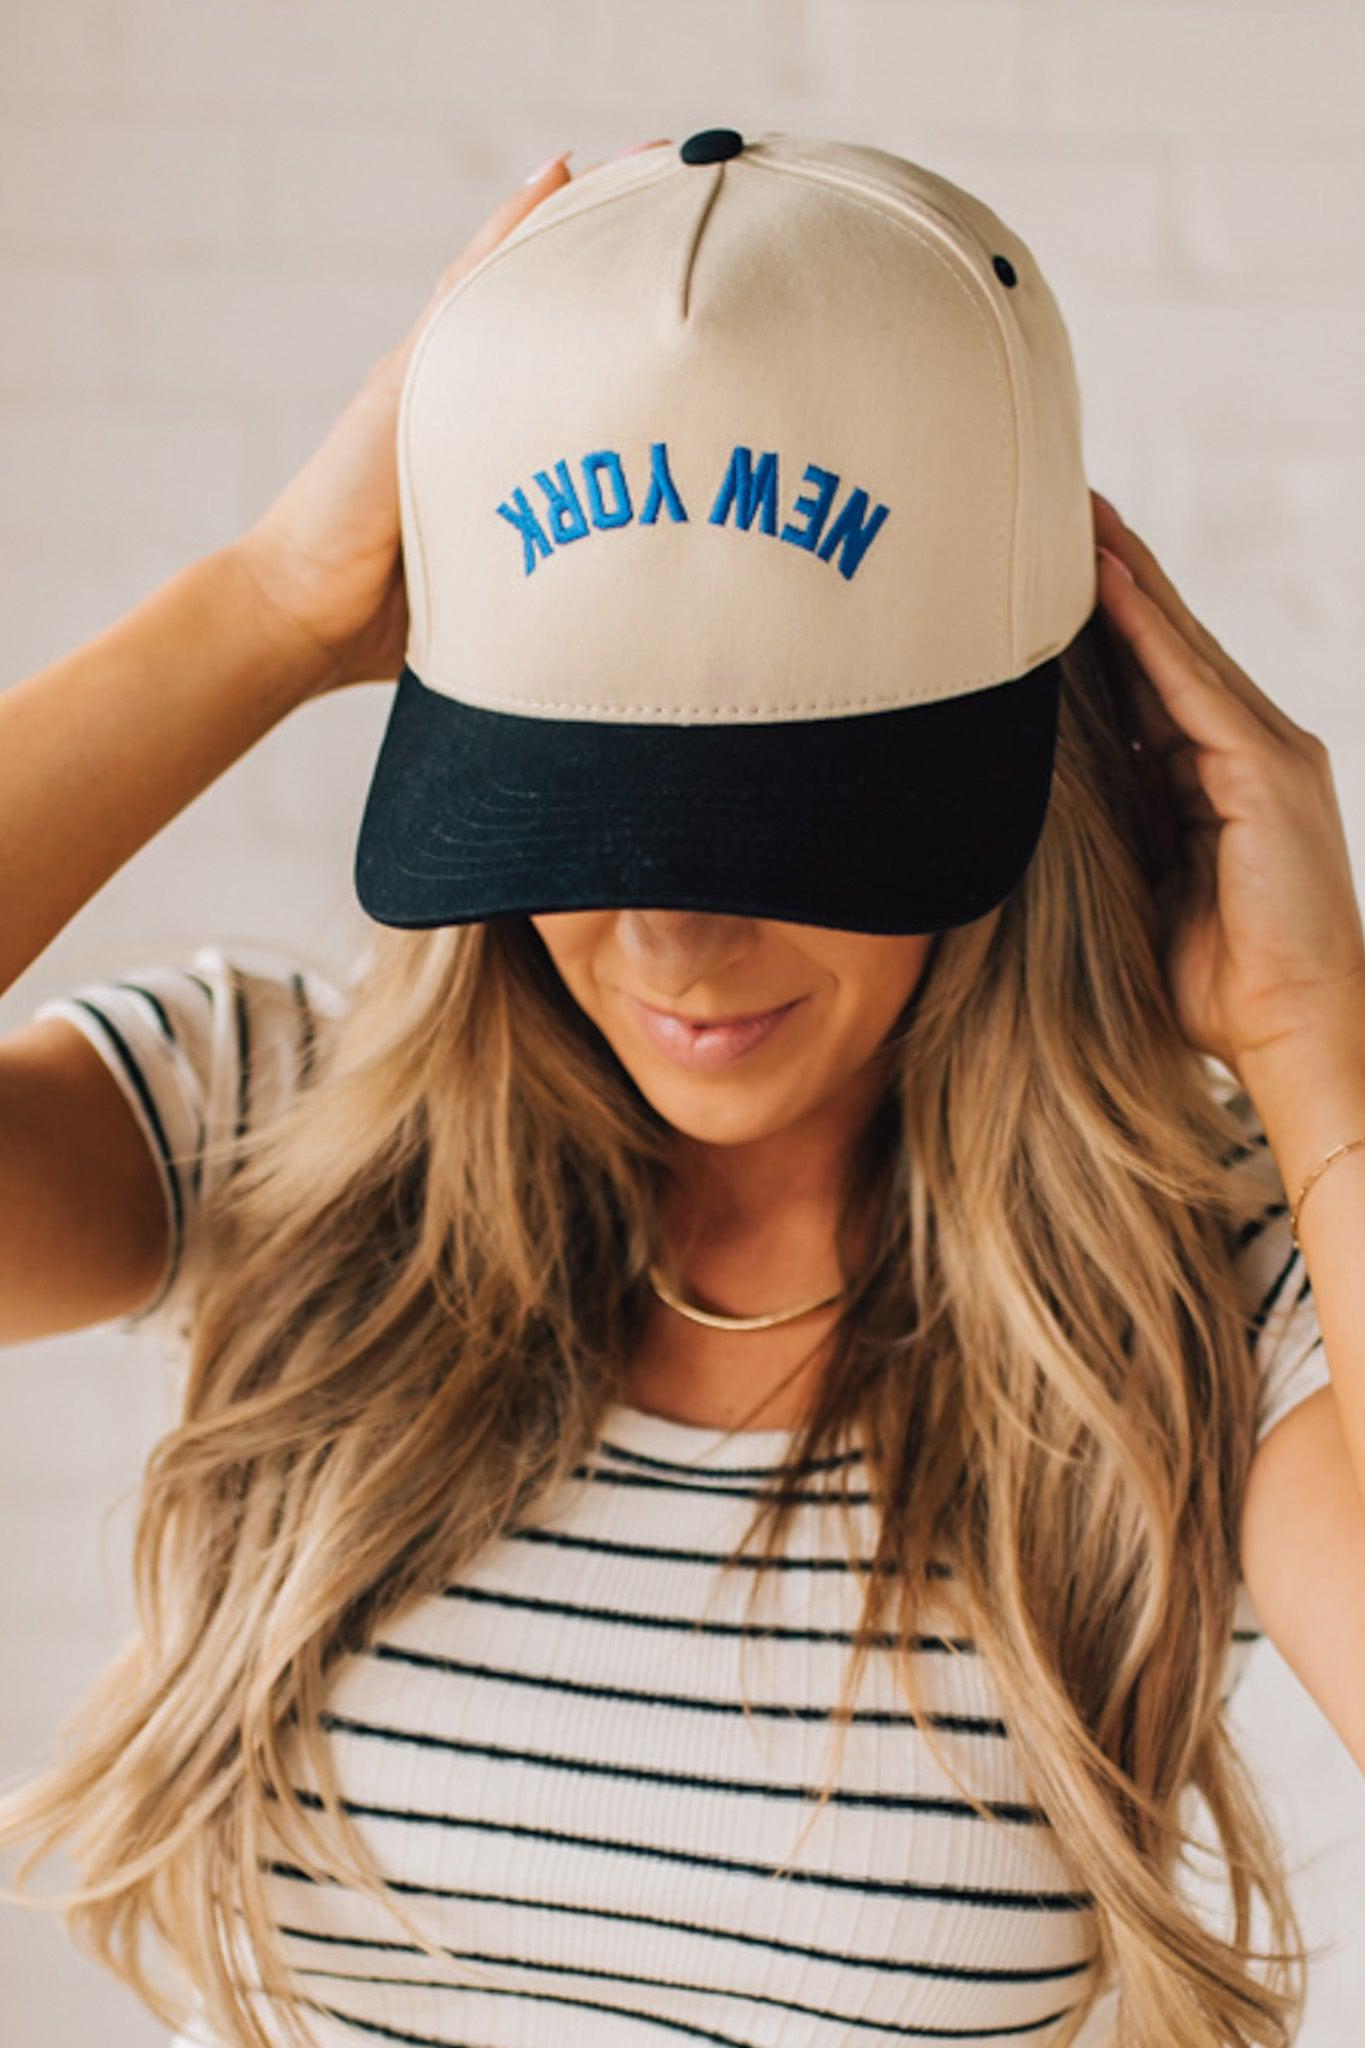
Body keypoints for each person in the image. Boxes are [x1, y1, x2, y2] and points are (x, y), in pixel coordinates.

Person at [0, 131, 1358, 2048]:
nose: (666, 940)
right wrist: (270, 609)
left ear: (1027, 772)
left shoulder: (1201, 1291)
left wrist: (1316, 1043)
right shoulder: (276, 1132)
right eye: (567, 808)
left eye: (775, 825)